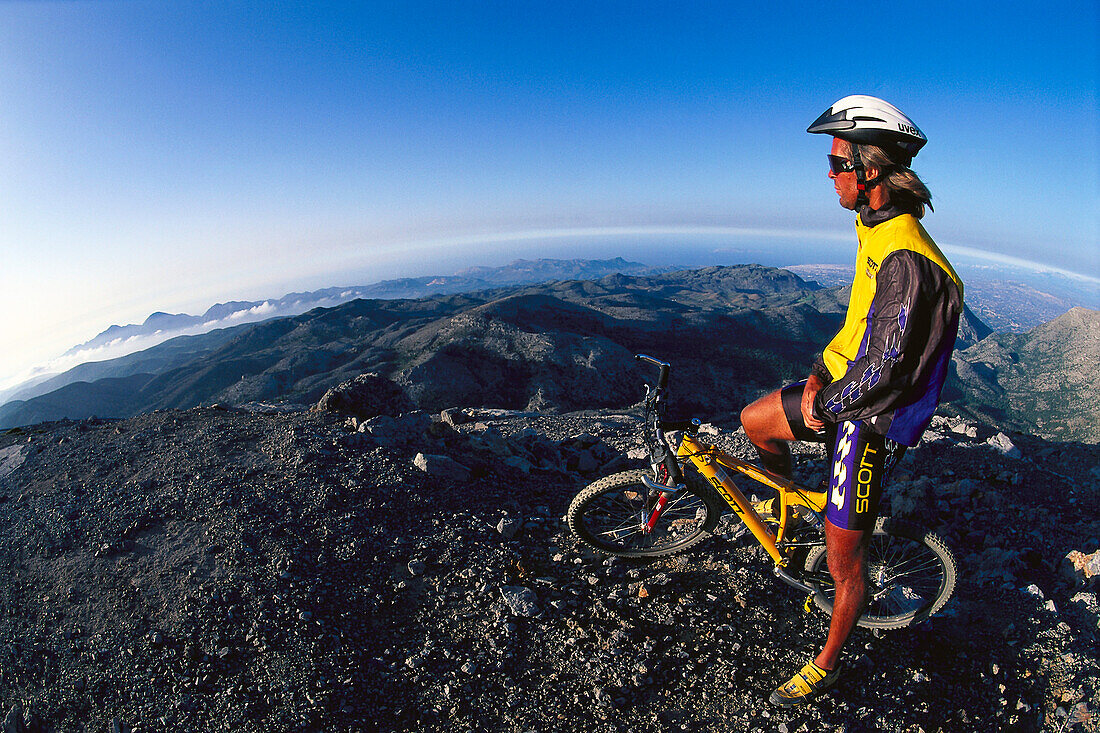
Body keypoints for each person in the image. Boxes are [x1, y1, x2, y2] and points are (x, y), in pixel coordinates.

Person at [740, 95, 964, 707]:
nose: (829, 176)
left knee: (845, 563)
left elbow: (886, 369)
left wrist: (823, 404)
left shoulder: (906, 257)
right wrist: (816, 375)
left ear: (870, 171)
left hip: (867, 420)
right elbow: (860, 326)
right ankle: (790, 516)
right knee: (754, 422)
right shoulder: (875, 227)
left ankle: (829, 662)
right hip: (839, 391)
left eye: (838, 163)